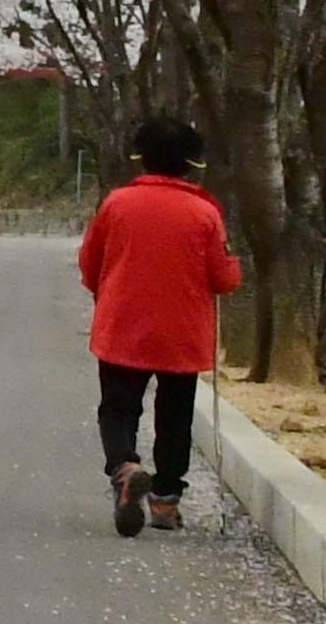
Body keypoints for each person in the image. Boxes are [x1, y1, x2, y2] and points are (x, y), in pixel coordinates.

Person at [76, 113, 243, 536]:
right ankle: (165, 502)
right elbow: (224, 279)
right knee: (174, 416)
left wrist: (109, 290)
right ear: (192, 163)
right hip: (181, 333)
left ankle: (124, 466)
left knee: (117, 408)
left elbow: (89, 264)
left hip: (122, 324)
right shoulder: (205, 213)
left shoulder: (115, 203)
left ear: (142, 158)